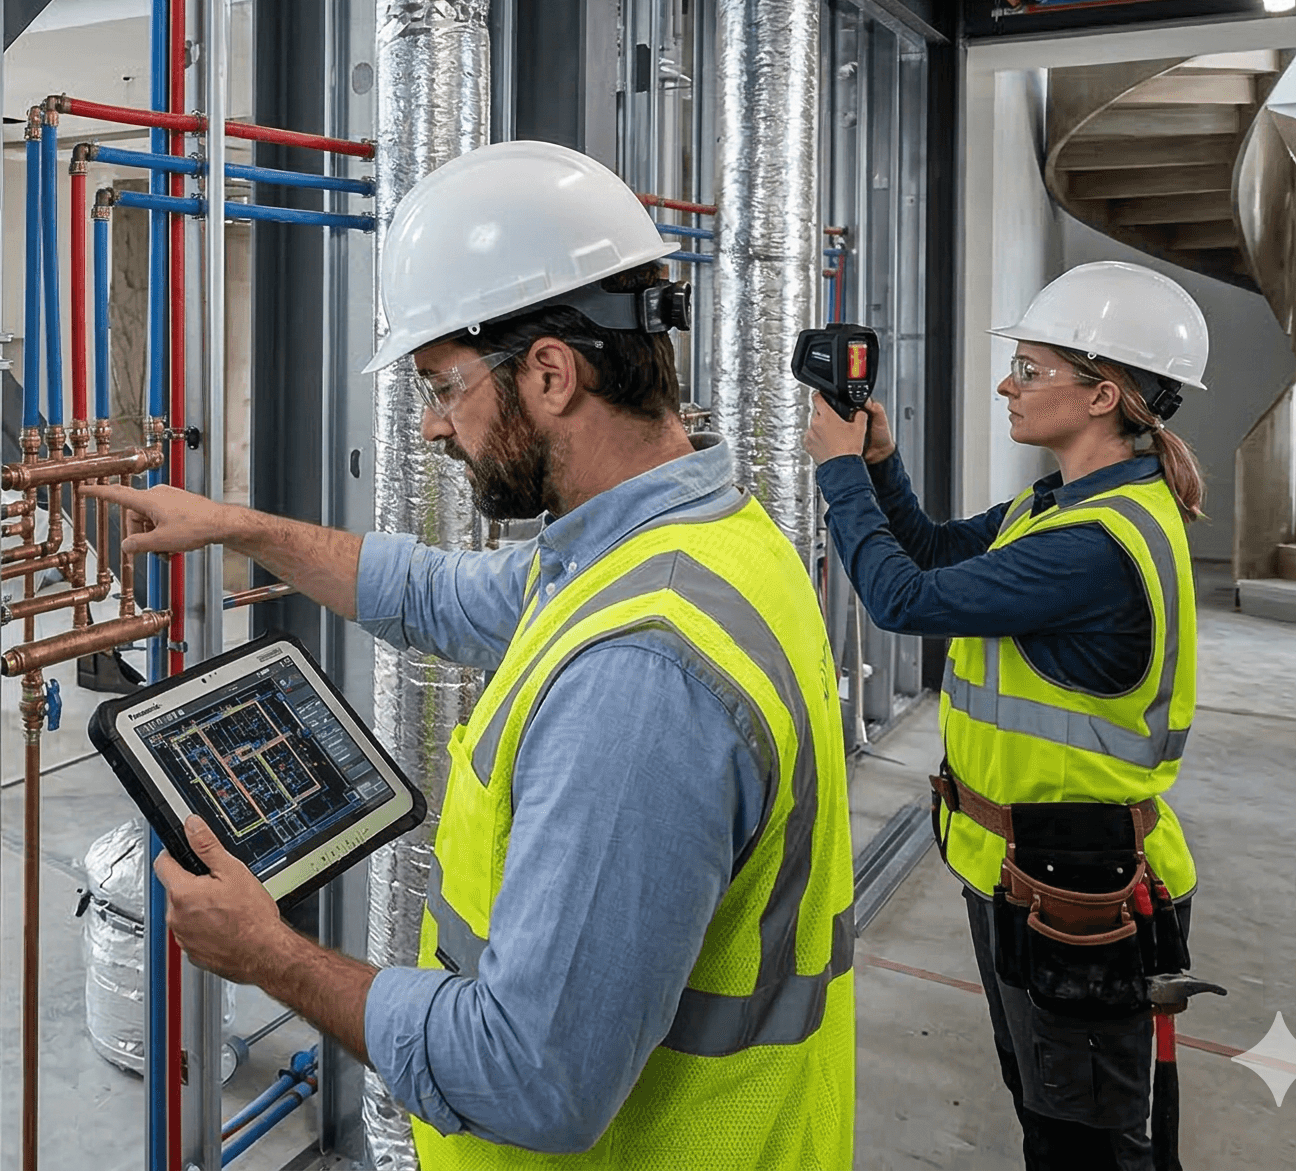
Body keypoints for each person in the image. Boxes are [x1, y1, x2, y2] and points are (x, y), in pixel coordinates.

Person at [85, 140, 855, 1167]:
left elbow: (530, 1077)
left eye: (442, 386)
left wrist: (266, 954)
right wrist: (230, 524)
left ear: (548, 373)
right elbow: (432, 594)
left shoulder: (639, 678)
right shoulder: (683, 544)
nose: (430, 428)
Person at [807, 259, 1207, 1171]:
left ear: (1105, 394)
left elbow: (903, 598)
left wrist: (835, 474)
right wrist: (878, 464)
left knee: (1086, 1147)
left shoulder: (1094, 549)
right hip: (1034, 873)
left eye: (1031, 370)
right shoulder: (1059, 506)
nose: (1006, 384)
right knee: (1050, 1116)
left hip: (1085, 889)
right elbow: (937, 554)